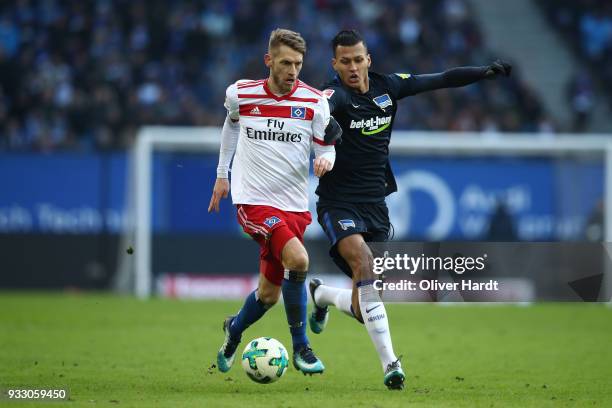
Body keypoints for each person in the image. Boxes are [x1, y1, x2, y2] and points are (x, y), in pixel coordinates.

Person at [309, 29, 512, 390]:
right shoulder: (334, 95)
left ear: (368, 59)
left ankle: (321, 294)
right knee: (364, 264)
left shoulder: (389, 86)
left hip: (377, 207)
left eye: (359, 59)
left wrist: (483, 72)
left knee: (363, 306)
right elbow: (318, 112)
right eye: (345, 62)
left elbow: (442, 80)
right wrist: (324, 138)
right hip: (338, 203)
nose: (353, 67)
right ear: (334, 64)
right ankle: (391, 364)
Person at [208, 28, 337, 375]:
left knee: (268, 295)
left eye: (297, 64)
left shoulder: (314, 101)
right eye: (285, 63)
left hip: (294, 206)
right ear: (269, 61)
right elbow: (231, 124)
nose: (292, 71)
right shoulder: (241, 94)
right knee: (299, 259)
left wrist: (326, 160)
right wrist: (223, 174)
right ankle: (302, 349)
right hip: (253, 201)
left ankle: (232, 333)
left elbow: (326, 145)